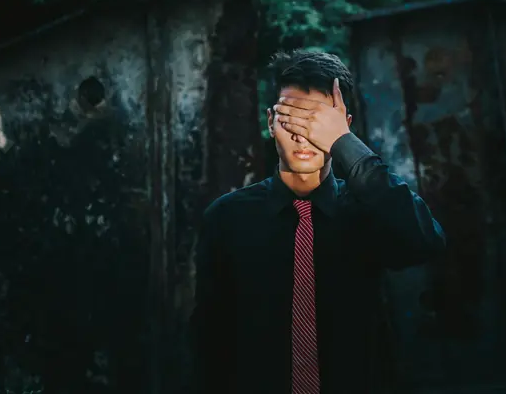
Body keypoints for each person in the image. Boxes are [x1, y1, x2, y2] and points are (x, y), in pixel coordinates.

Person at [190, 50, 445, 394]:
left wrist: (344, 144)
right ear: (271, 122)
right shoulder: (227, 218)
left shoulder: (368, 211)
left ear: (342, 126)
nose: (302, 134)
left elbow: (425, 242)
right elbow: (208, 338)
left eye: (317, 122)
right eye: (290, 119)